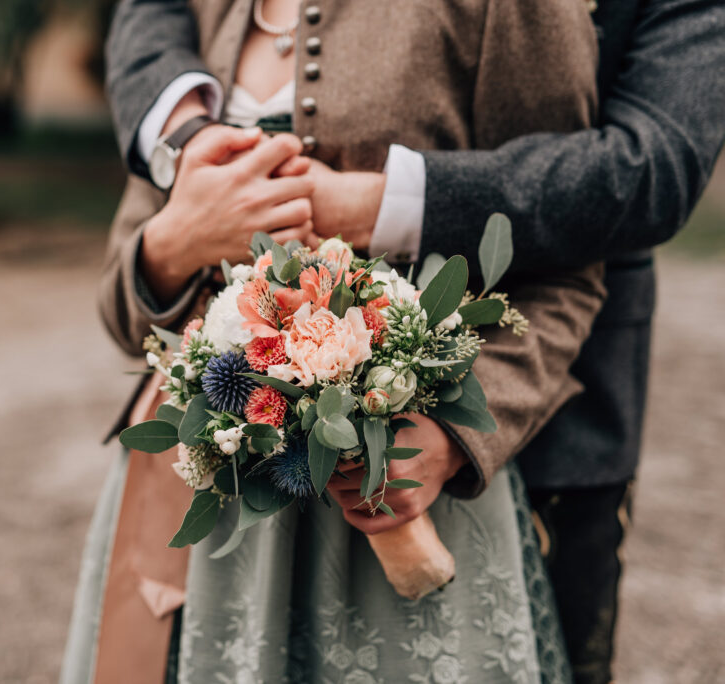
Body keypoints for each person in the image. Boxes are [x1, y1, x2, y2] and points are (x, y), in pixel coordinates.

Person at [98, 0, 725, 682]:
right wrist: (175, 242)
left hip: (398, 499)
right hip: (206, 511)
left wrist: (451, 432)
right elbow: (125, 305)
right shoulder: (193, 26)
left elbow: (588, 235)